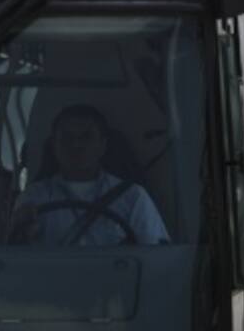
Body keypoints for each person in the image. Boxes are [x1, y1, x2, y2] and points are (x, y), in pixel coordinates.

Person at [11, 104, 169, 246]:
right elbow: (14, 256)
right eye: (67, 137)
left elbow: (155, 256)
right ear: (54, 145)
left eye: (86, 137)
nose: (76, 145)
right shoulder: (33, 198)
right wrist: (23, 232)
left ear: (103, 145)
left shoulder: (133, 197)